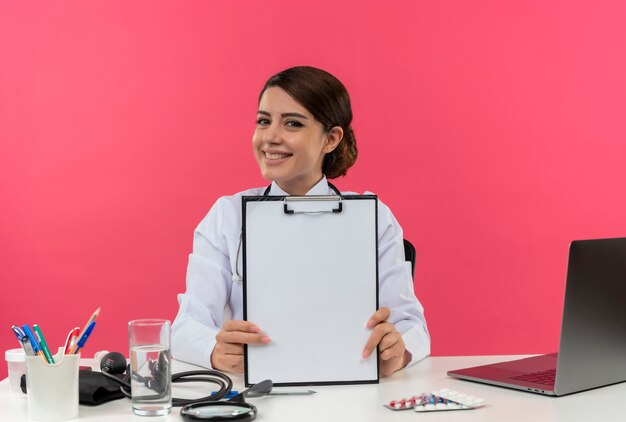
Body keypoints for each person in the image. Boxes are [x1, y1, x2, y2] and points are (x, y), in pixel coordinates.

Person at [172, 66, 430, 377]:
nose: (270, 137)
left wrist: (398, 351)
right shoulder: (227, 216)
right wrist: (213, 350)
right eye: (264, 121)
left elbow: (413, 328)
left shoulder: (373, 217)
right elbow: (185, 327)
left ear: (331, 139)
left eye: (293, 123)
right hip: (258, 393)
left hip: (353, 390)